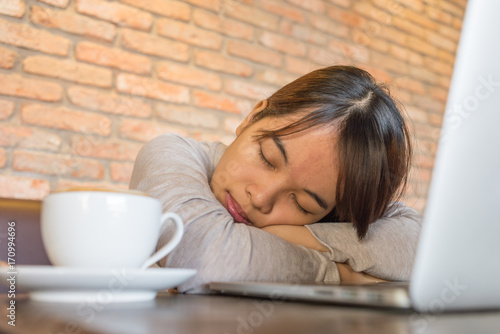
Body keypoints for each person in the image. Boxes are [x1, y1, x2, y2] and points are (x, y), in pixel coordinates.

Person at [129, 65, 422, 293]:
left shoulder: (326, 217)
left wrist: (300, 237)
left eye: (302, 203)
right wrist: (338, 273)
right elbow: (208, 260)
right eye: (267, 157)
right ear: (252, 116)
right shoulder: (173, 153)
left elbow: (421, 245)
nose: (261, 197)